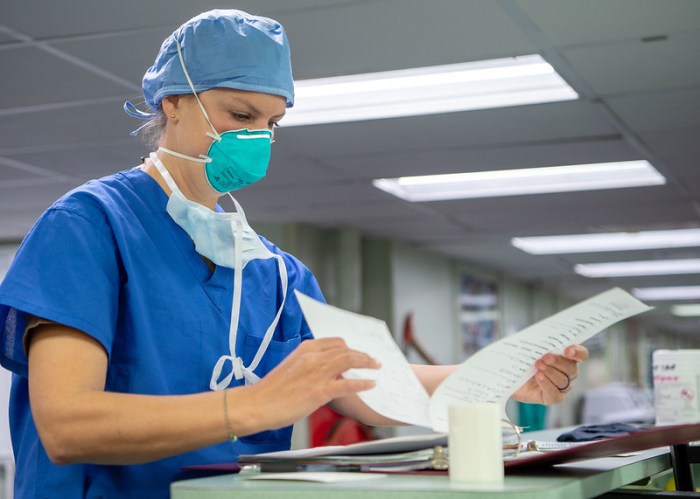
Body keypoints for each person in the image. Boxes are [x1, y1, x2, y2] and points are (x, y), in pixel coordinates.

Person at [0, 9, 588, 499]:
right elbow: (66, 424)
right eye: (239, 115)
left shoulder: (275, 271)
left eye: (272, 122)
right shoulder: (89, 227)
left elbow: (361, 388)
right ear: (173, 103)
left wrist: (504, 378)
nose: (257, 137)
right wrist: (250, 406)